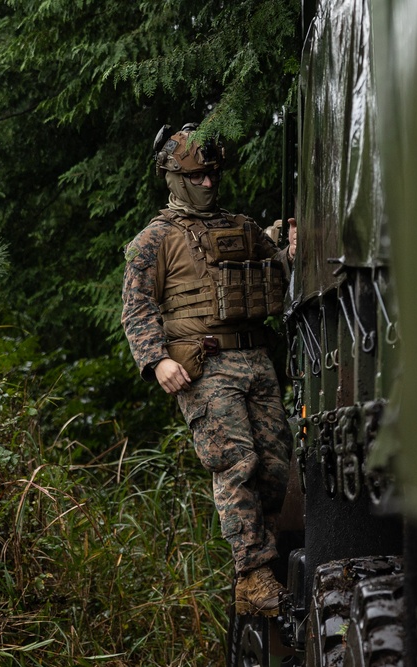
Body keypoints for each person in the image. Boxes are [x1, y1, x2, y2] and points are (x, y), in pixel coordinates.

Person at [121, 122, 297, 616]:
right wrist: (157, 361)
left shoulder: (240, 227)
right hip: (204, 367)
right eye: (197, 176)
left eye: (212, 175)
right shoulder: (154, 240)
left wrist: (291, 249)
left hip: (256, 360)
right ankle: (255, 575)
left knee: (278, 469)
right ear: (175, 177)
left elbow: (277, 270)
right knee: (235, 462)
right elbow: (136, 309)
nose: (208, 184)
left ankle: (260, 571)